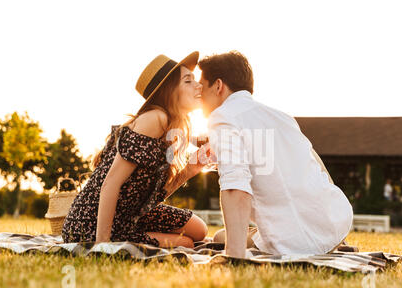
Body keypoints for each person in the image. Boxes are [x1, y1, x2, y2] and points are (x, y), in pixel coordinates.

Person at [198, 51, 353, 258]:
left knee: (220, 238)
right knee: (219, 236)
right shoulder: (282, 118)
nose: (199, 96)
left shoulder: (222, 116)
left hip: (295, 243)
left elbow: (236, 188)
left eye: (202, 87)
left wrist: (233, 257)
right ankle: (337, 244)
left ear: (218, 86)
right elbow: (313, 165)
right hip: (334, 226)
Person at [62, 51, 209, 248]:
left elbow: (151, 198)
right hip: (91, 221)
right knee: (187, 243)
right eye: (188, 81)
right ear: (169, 90)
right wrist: (102, 245)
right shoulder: (155, 118)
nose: (198, 85)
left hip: (132, 214)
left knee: (200, 230)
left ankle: (136, 234)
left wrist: (190, 171)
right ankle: (121, 238)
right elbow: (110, 183)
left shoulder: (171, 127)